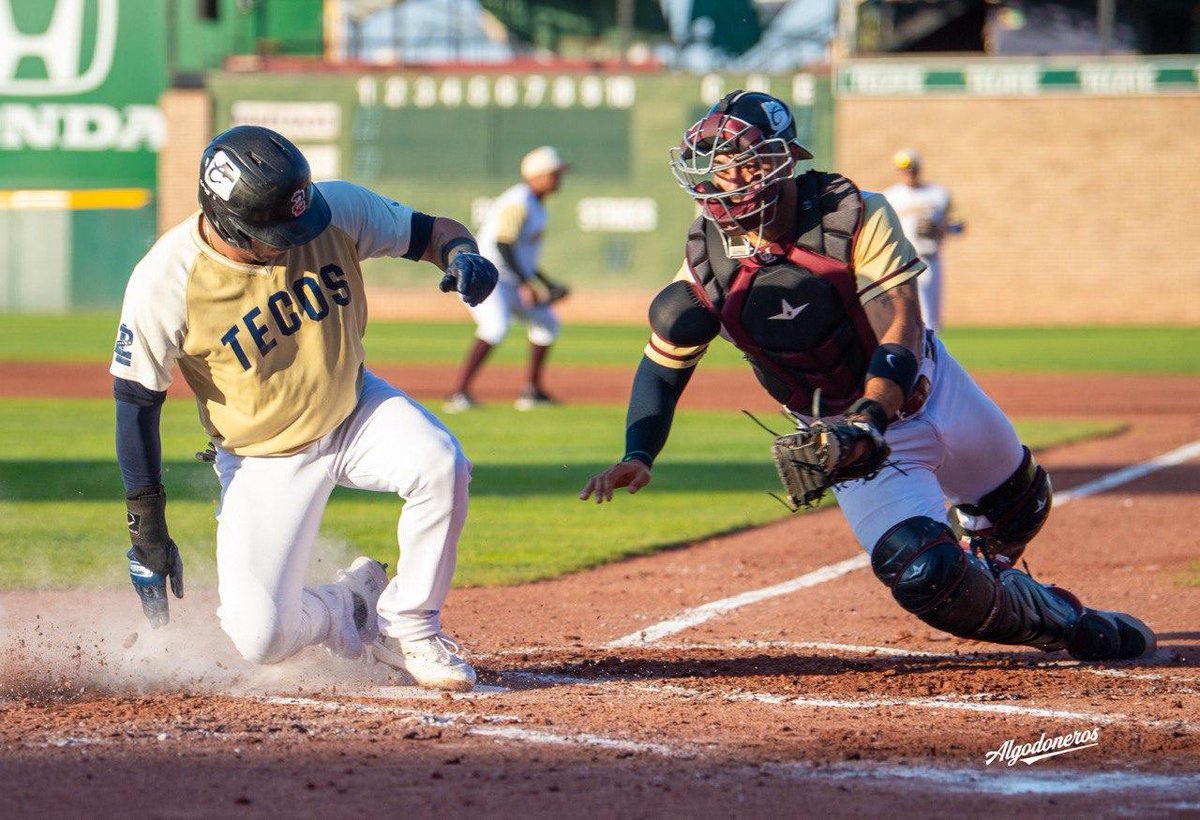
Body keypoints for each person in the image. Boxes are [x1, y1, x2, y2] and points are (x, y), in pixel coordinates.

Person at [580, 91, 1155, 662]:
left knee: (1022, 503)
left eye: (743, 163)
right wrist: (640, 452)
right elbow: (664, 362)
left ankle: (989, 565)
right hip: (838, 437)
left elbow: (900, 322)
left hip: (928, 390)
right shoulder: (709, 258)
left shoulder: (849, 213)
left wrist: (870, 415)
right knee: (925, 573)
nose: (726, 181)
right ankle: (1062, 622)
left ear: (784, 159)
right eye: (716, 168)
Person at [110, 125, 499, 691]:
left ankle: (409, 627)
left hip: (355, 409)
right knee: (260, 639)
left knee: (441, 462)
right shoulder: (164, 281)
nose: (295, 237)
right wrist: (147, 527)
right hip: (261, 457)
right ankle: (347, 608)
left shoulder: (333, 208)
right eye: (277, 231)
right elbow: (135, 401)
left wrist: (462, 253)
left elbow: (433, 232)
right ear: (228, 223)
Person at [445, 145, 570, 413]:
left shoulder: (536, 205)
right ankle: (458, 393)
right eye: (555, 173)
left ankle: (532, 391)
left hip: (509, 278)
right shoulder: (519, 201)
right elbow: (503, 244)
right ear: (538, 175)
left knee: (547, 322)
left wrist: (546, 284)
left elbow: (523, 257)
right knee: (495, 326)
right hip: (488, 277)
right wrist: (528, 283)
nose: (559, 178)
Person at [881, 149, 964, 332]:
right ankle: (921, 356)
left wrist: (945, 227)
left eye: (911, 169)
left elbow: (956, 225)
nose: (908, 173)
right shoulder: (890, 196)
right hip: (904, 260)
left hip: (931, 257)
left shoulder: (938, 194)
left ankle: (930, 356)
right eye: (904, 170)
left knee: (933, 317)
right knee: (917, 315)